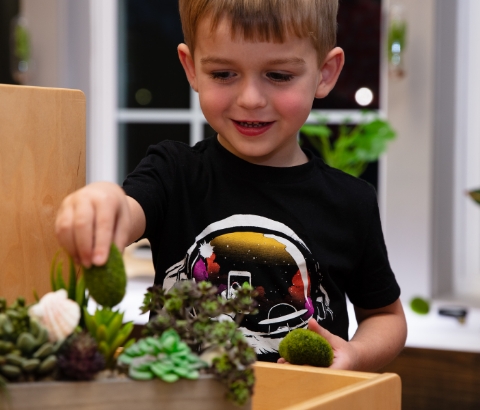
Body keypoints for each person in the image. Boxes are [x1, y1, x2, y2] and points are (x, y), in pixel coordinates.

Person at [55, 0, 407, 370]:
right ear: (191, 69)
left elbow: (386, 317)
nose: (250, 99)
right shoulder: (173, 171)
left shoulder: (352, 202)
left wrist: (357, 354)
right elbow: (126, 213)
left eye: (279, 75)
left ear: (325, 72)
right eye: (224, 74)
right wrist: (103, 201)